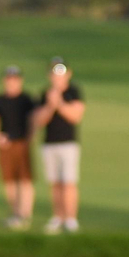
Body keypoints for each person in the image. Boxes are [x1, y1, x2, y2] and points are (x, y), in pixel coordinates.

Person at [32, 58, 85, 234]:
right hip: (49, 143)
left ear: (68, 74)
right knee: (54, 183)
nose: (57, 76)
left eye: (61, 72)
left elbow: (76, 116)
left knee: (69, 182)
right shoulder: (45, 94)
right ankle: (58, 216)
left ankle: (71, 219)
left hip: (68, 143)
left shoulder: (73, 92)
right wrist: (50, 105)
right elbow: (38, 121)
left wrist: (59, 103)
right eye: (54, 72)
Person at [0, 66, 36, 230]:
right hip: (6, 144)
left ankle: (25, 214)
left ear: (20, 80)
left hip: (22, 142)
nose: (12, 82)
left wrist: (30, 138)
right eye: (9, 79)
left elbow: (33, 121)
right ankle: (15, 213)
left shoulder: (27, 99)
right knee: (9, 181)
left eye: (15, 79)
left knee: (25, 180)